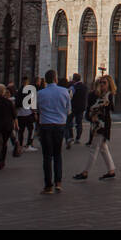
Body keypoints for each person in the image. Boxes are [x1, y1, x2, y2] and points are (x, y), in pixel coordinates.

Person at [36, 67, 71, 195]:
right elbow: (68, 110)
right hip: (59, 125)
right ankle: (58, 183)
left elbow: (37, 109)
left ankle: (48, 186)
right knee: (57, 154)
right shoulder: (64, 92)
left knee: (47, 156)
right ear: (56, 79)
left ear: (45, 80)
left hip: (45, 125)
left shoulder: (40, 93)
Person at [74, 76, 115, 180]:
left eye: (104, 83)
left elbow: (108, 108)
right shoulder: (99, 95)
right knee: (103, 148)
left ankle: (85, 172)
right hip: (96, 124)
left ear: (109, 84)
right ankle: (111, 170)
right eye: (101, 83)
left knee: (94, 148)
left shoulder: (108, 96)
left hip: (102, 125)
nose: (102, 85)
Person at [16, 76, 37, 151]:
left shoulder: (19, 91)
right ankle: (28, 144)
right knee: (31, 129)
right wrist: (34, 112)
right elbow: (32, 102)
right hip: (28, 113)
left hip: (20, 113)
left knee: (21, 130)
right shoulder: (30, 90)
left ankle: (20, 145)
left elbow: (16, 103)